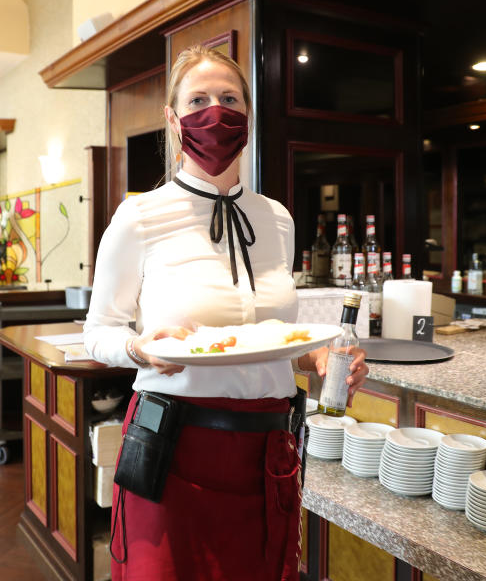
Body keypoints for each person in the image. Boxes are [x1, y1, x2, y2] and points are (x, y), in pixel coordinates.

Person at [83, 44, 368, 581]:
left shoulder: (276, 218)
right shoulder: (140, 215)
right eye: (198, 100)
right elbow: (99, 332)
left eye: (230, 98)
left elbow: (272, 335)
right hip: (174, 447)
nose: (216, 112)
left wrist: (317, 363)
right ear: (173, 120)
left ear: (249, 118)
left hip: (269, 448)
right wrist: (138, 347)